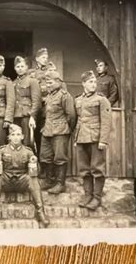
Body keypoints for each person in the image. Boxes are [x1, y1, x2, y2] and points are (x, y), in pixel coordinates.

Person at [0, 124, 50, 227]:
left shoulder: (28, 151)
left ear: (22, 136)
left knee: (33, 179)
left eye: (18, 134)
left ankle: (40, 212)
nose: (16, 137)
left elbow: (37, 172)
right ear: (9, 137)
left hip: (22, 181)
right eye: (13, 134)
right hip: (6, 181)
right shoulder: (2, 150)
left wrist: (35, 162)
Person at [74, 70, 112, 210]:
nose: (93, 84)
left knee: (97, 169)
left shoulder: (102, 100)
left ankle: (97, 198)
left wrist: (103, 140)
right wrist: (76, 138)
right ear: (83, 83)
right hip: (81, 139)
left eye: (95, 81)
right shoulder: (78, 100)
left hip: (96, 139)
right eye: (90, 82)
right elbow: (78, 120)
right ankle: (87, 196)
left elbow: (106, 122)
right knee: (84, 170)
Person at [40, 71, 76, 194]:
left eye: (50, 83)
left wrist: (66, 129)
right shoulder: (49, 96)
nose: (48, 85)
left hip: (60, 131)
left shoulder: (65, 96)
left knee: (59, 157)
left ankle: (60, 184)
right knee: (45, 156)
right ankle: (49, 180)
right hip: (47, 130)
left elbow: (71, 115)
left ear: (58, 82)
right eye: (46, 83)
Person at [13, 56, 42, 148]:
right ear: (14, 68)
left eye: (22, 66)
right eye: (18, 67)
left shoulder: (32, 81)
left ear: (26, 67)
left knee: (28, 141)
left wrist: (33, 116)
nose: (20, 69)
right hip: (15, 115)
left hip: (27, 115)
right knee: (15, 140)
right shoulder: (13, 83)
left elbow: (36, 101)